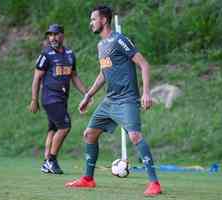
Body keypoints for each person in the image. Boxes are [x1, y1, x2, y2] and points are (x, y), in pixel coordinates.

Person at [65, 5, 162, 196]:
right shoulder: (101, 45)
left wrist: (146, 93)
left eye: (93, 19)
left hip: (127, 100)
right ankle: (88, 179)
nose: (91, 23)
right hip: (110, 101)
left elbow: (144, 64)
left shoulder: (120, 40)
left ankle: (155, 184)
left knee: (135, 136)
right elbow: (103, 73)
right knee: (89, 134)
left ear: (104, 20)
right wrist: (88, 95)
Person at [29, 24, 87, 174]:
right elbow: (36, 78)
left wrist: (86, 93)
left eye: (55, 34)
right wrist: (34, 99)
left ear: (62, 35)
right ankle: (51, 160)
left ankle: (45, 162)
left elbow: (74, 76)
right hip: (50, 97)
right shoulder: (46, 55)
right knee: (65, 127)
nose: (52, 38)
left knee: (53, 129)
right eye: (50, 35)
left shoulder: (69, 54)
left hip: (62, 98)